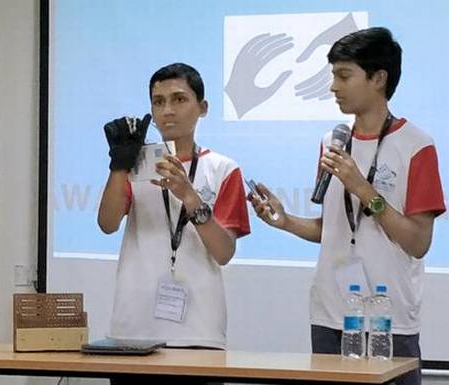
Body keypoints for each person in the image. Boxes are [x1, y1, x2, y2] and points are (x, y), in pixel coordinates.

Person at [249, 27, 445, 385]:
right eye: (332, 76)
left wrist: (361, 186)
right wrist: (286, 221)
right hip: (331, 315)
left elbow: (418, 242)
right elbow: (333, 230)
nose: (333, 87)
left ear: (379, 78)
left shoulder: (417, 146)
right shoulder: (333, 141)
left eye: (344, 75)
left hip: (389, 320)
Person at [98, 63, 251, 351]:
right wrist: (118, 165)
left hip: (199, 330)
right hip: (134, 327)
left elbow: (224, 252)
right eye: (159, 102)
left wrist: (190, 196)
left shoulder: (223, 169)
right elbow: (107, 224)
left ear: (202, 107)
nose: (168, 110)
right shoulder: (135, 165)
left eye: (179, 99)